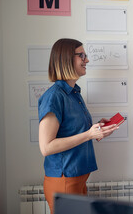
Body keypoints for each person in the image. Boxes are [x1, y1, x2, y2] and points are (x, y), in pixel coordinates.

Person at [38, 38, 119, 214]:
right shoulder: (54, 97)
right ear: (66, 58)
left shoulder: (74, 94)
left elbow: (73, 131)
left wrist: (96, 130)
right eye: (81, 55)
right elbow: (46, 147)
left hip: (78, 179)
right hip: (64, 180)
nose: (87, 60)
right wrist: (88, 135)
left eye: (86, 55)